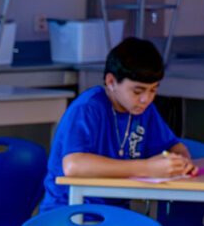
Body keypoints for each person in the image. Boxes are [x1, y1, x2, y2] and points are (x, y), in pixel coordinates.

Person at [39, 37, 195, 213]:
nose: (146, 99)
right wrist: (147, 168)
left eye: (153, 90)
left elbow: (173, 146)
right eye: (137, 91)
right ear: (111, 82)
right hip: (70, 213)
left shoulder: (144, 110)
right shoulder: (88, 108)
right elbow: (73, 165)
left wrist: (180, 162)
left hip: (117, 215)